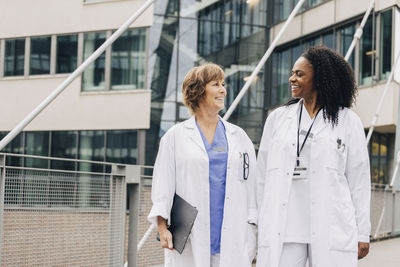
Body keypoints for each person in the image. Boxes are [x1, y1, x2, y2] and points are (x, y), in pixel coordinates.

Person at [256, 46, 371, 267]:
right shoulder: (278, 119)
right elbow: (262, 174)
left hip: (331, 222)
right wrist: (256, 219)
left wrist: (363, 232)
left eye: (299, 74)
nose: (292, 78)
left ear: (319, 78)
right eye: (292, 73)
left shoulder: (347, 120)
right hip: (286, 224)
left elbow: (359, 180)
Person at [148, 63, 257, 267]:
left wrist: (253, 230)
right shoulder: (175, 137)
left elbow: (253, 189)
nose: (223, 89)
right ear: (198, 90)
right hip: (190, 237)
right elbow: (162, 187)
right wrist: (163, 230)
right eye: (216, 84)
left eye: (223, 84)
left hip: (233, 238)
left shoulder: (239, 137)